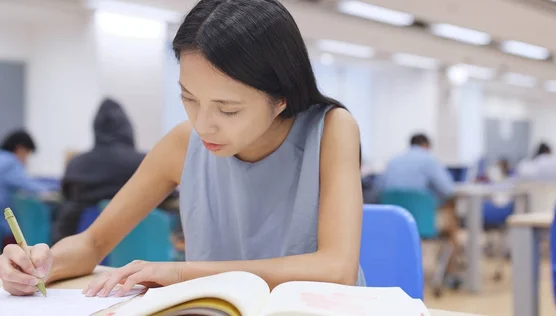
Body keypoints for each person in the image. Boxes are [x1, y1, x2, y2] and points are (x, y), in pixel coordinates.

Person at [0, 0, 364, 297]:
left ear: (281, 98)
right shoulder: (183, 143)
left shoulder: (331, 130)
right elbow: (94, 242)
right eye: (188, 98)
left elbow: (336, 269)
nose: (203, 124)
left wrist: (181, 272)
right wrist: (40, 265)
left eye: (228, 109)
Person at [51, 98, 146, 245]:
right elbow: (167, 195)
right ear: (127, 127)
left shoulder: (76, 163)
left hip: (78, 248)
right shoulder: (142, 162)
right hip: (136, 248)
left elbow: (64, 195)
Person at [0, 130, 48, 240]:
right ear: (20, 148)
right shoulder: (10, 162)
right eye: (27, 153)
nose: (26, 159)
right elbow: (28, 184)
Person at [380, 133, 455, 202]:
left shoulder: (393, 161)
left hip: (395, 212)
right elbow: (447, 190)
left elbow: (379, 189)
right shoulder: (430, 160)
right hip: (421, 211)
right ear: (426, 145)